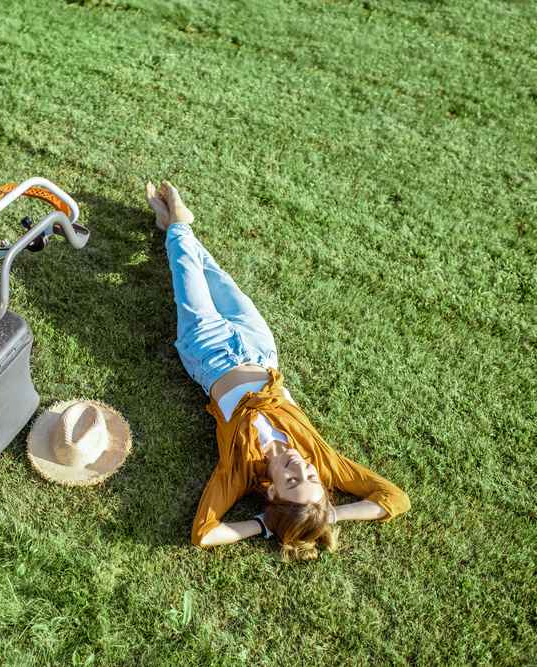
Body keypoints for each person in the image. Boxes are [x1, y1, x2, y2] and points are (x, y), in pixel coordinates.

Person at [145, 180, 410, 562]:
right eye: (311, 479)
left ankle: (177, 223)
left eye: (291, 481)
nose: (300, 468)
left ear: (272, 493)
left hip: (208, 351)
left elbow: (204, 534)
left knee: (187, 266)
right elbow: (394, 498)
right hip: (259, 346)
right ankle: (171, 226)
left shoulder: (239, 472)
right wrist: (326, 513)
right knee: (212, 271)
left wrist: (266, 524)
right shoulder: (321, 459)